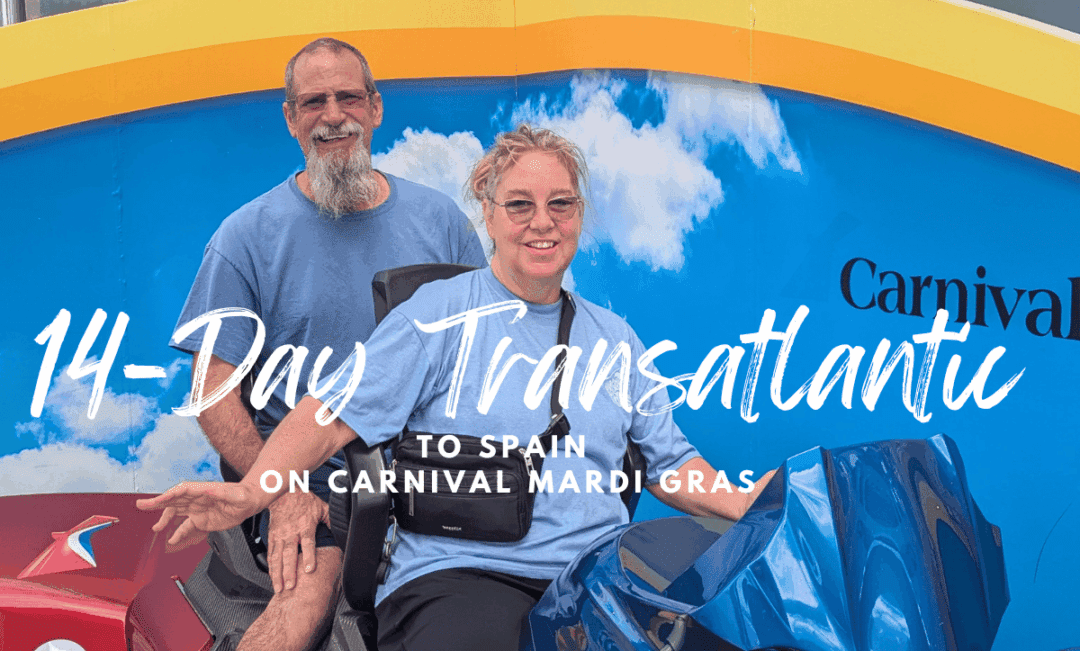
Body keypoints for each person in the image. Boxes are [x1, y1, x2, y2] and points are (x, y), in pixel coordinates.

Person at [146, 125, 773, 651]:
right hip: (464, 574)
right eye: (520, 204)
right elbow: (329, 417)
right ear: (489, 214)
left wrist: (746, 504)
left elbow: (670, 462)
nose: (542, 223)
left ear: (580, 214)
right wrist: (257, 489)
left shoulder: (616, 340)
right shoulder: (435, 316)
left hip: (594, 579)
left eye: (561, 204)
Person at [169, 37, 486, 651]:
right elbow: (212, 393)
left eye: (347, 97)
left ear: (375, 108)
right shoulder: (244, 238)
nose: (333, 115)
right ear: (291, 119)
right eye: (314, 101)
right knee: (309, 594)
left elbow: (485, 354)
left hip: (434, 476)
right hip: (316, 480)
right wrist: (279, 486)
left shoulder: (442, 221)